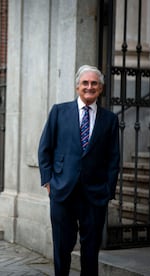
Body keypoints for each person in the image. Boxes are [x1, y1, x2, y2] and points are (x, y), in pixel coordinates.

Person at [38, 65, 120, 276]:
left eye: (94, 83)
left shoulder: (110, 120)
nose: (89, 87)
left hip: (94, 195)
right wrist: (48, 182)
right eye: (85, 83)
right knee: (62, 248)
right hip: (62, 191)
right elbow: (45, 148)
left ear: (100, 88)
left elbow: (113, 159)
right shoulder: (59, 111)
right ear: (77, 87)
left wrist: (108, 191)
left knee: (91, 251)